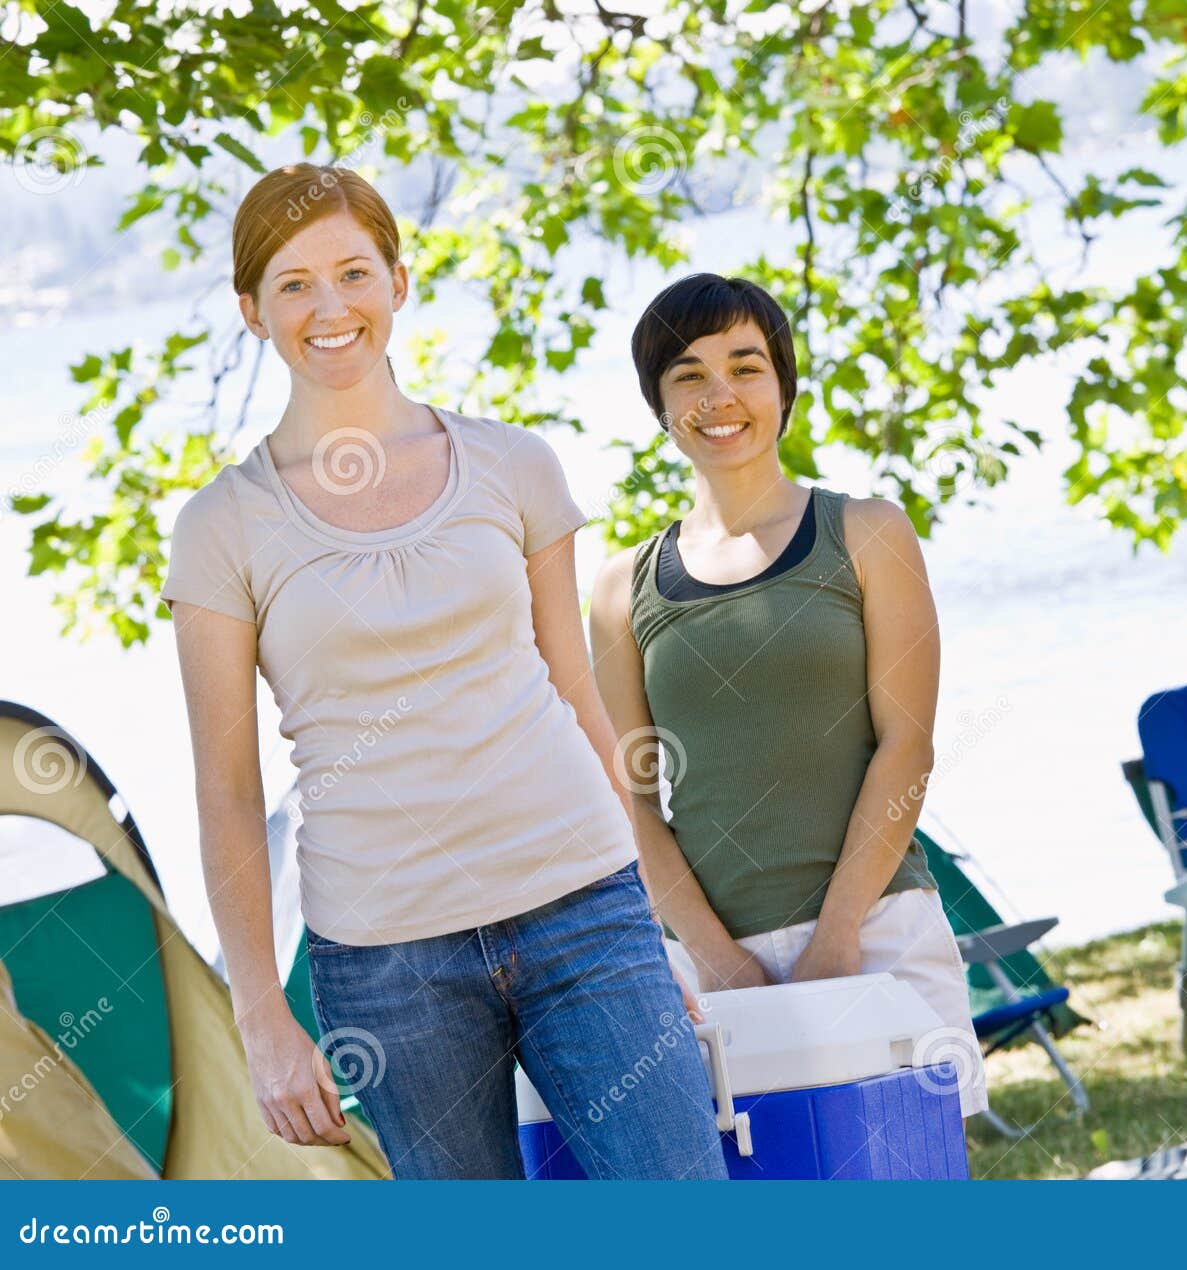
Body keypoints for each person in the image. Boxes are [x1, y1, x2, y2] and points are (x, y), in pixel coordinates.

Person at [159, 165, 727, 1180]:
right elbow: (228, 790)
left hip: (583, 908)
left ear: (398, 282)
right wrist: (260, 1013)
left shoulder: (514, 466)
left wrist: (655, 926)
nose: (329, 309)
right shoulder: (221, 529)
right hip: (388, 963)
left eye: (352, 272)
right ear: (251, 310)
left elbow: (581, 699)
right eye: (293, 285)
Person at [589, 272, 989, 1118]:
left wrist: (839, 932)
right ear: (659, 404)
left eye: (745, 365)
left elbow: (905, 746)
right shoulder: (622, 589)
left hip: (879, 931)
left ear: (784, 386)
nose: (719, 394)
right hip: (711, 969)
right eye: (688, 374)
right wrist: (719, 959)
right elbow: (629, 804)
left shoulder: (869, 531)